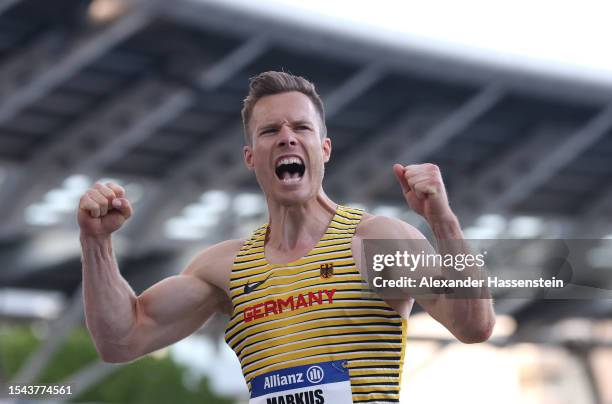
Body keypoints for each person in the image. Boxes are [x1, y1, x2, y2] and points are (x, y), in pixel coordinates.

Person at [78, 71, 495, 403]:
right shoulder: (224, 267)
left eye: (301, 127)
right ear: (250, 156)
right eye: (269, 130)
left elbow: (474, 325)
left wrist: (443, 220)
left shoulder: (373, 241)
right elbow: (121, 339)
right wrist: (96, 241)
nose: (286, 137)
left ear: (324, 148)